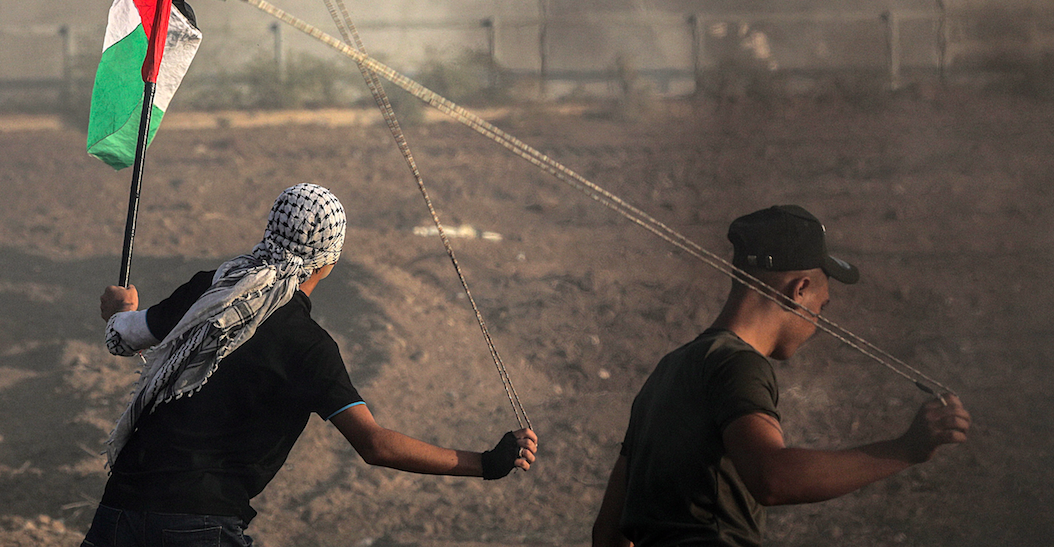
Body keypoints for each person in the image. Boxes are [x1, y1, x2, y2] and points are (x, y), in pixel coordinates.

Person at [82, 183, 537, 546]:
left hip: (118, 510)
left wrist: (121, 309)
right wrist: (486, 463)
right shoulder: (307, 347)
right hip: (201, 523)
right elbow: (375, 445)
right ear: (331, 259)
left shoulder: (210, 289)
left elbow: (124, 335)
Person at [591, 204, 971, 547]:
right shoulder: (737, 364)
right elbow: (771, 477)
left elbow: (608, 533)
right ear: (799, 290)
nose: (818, 323)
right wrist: (907, 448)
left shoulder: (666, 371)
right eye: (821, 307)